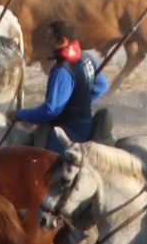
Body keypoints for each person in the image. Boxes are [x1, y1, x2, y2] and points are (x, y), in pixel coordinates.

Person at [10, 21, 108, 150]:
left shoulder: (62, 71)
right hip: (87, 125)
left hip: (68, 134)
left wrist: (20, 115)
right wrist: (81, 102)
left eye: (50, 39)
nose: (48, 42)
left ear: (62, 41)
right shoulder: (86, 58)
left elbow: (51, 110)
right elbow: (102, 86)